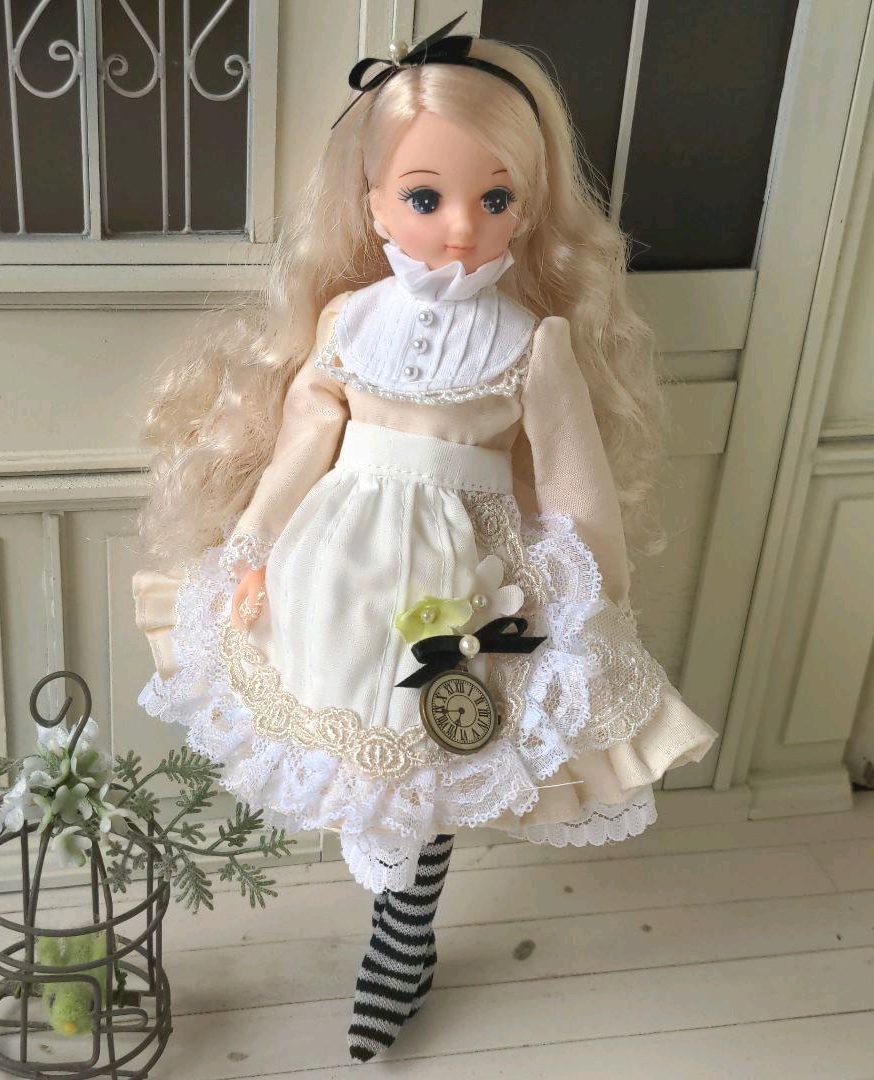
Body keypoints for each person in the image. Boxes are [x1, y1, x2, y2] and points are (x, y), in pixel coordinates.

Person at [132, 15, 718, 1062]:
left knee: (442, 753)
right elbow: (302, 446)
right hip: (336, 569)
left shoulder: (534, 342)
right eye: (424, 196)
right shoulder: (348, 321)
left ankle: (401, 940)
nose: (461, 228)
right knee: (355, 743)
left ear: (526, 207)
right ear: (372, 204)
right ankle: (395, 924)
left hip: (463, 578)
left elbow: (574, 483)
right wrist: (252, 550)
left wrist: (599, 604)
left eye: (494, 199)